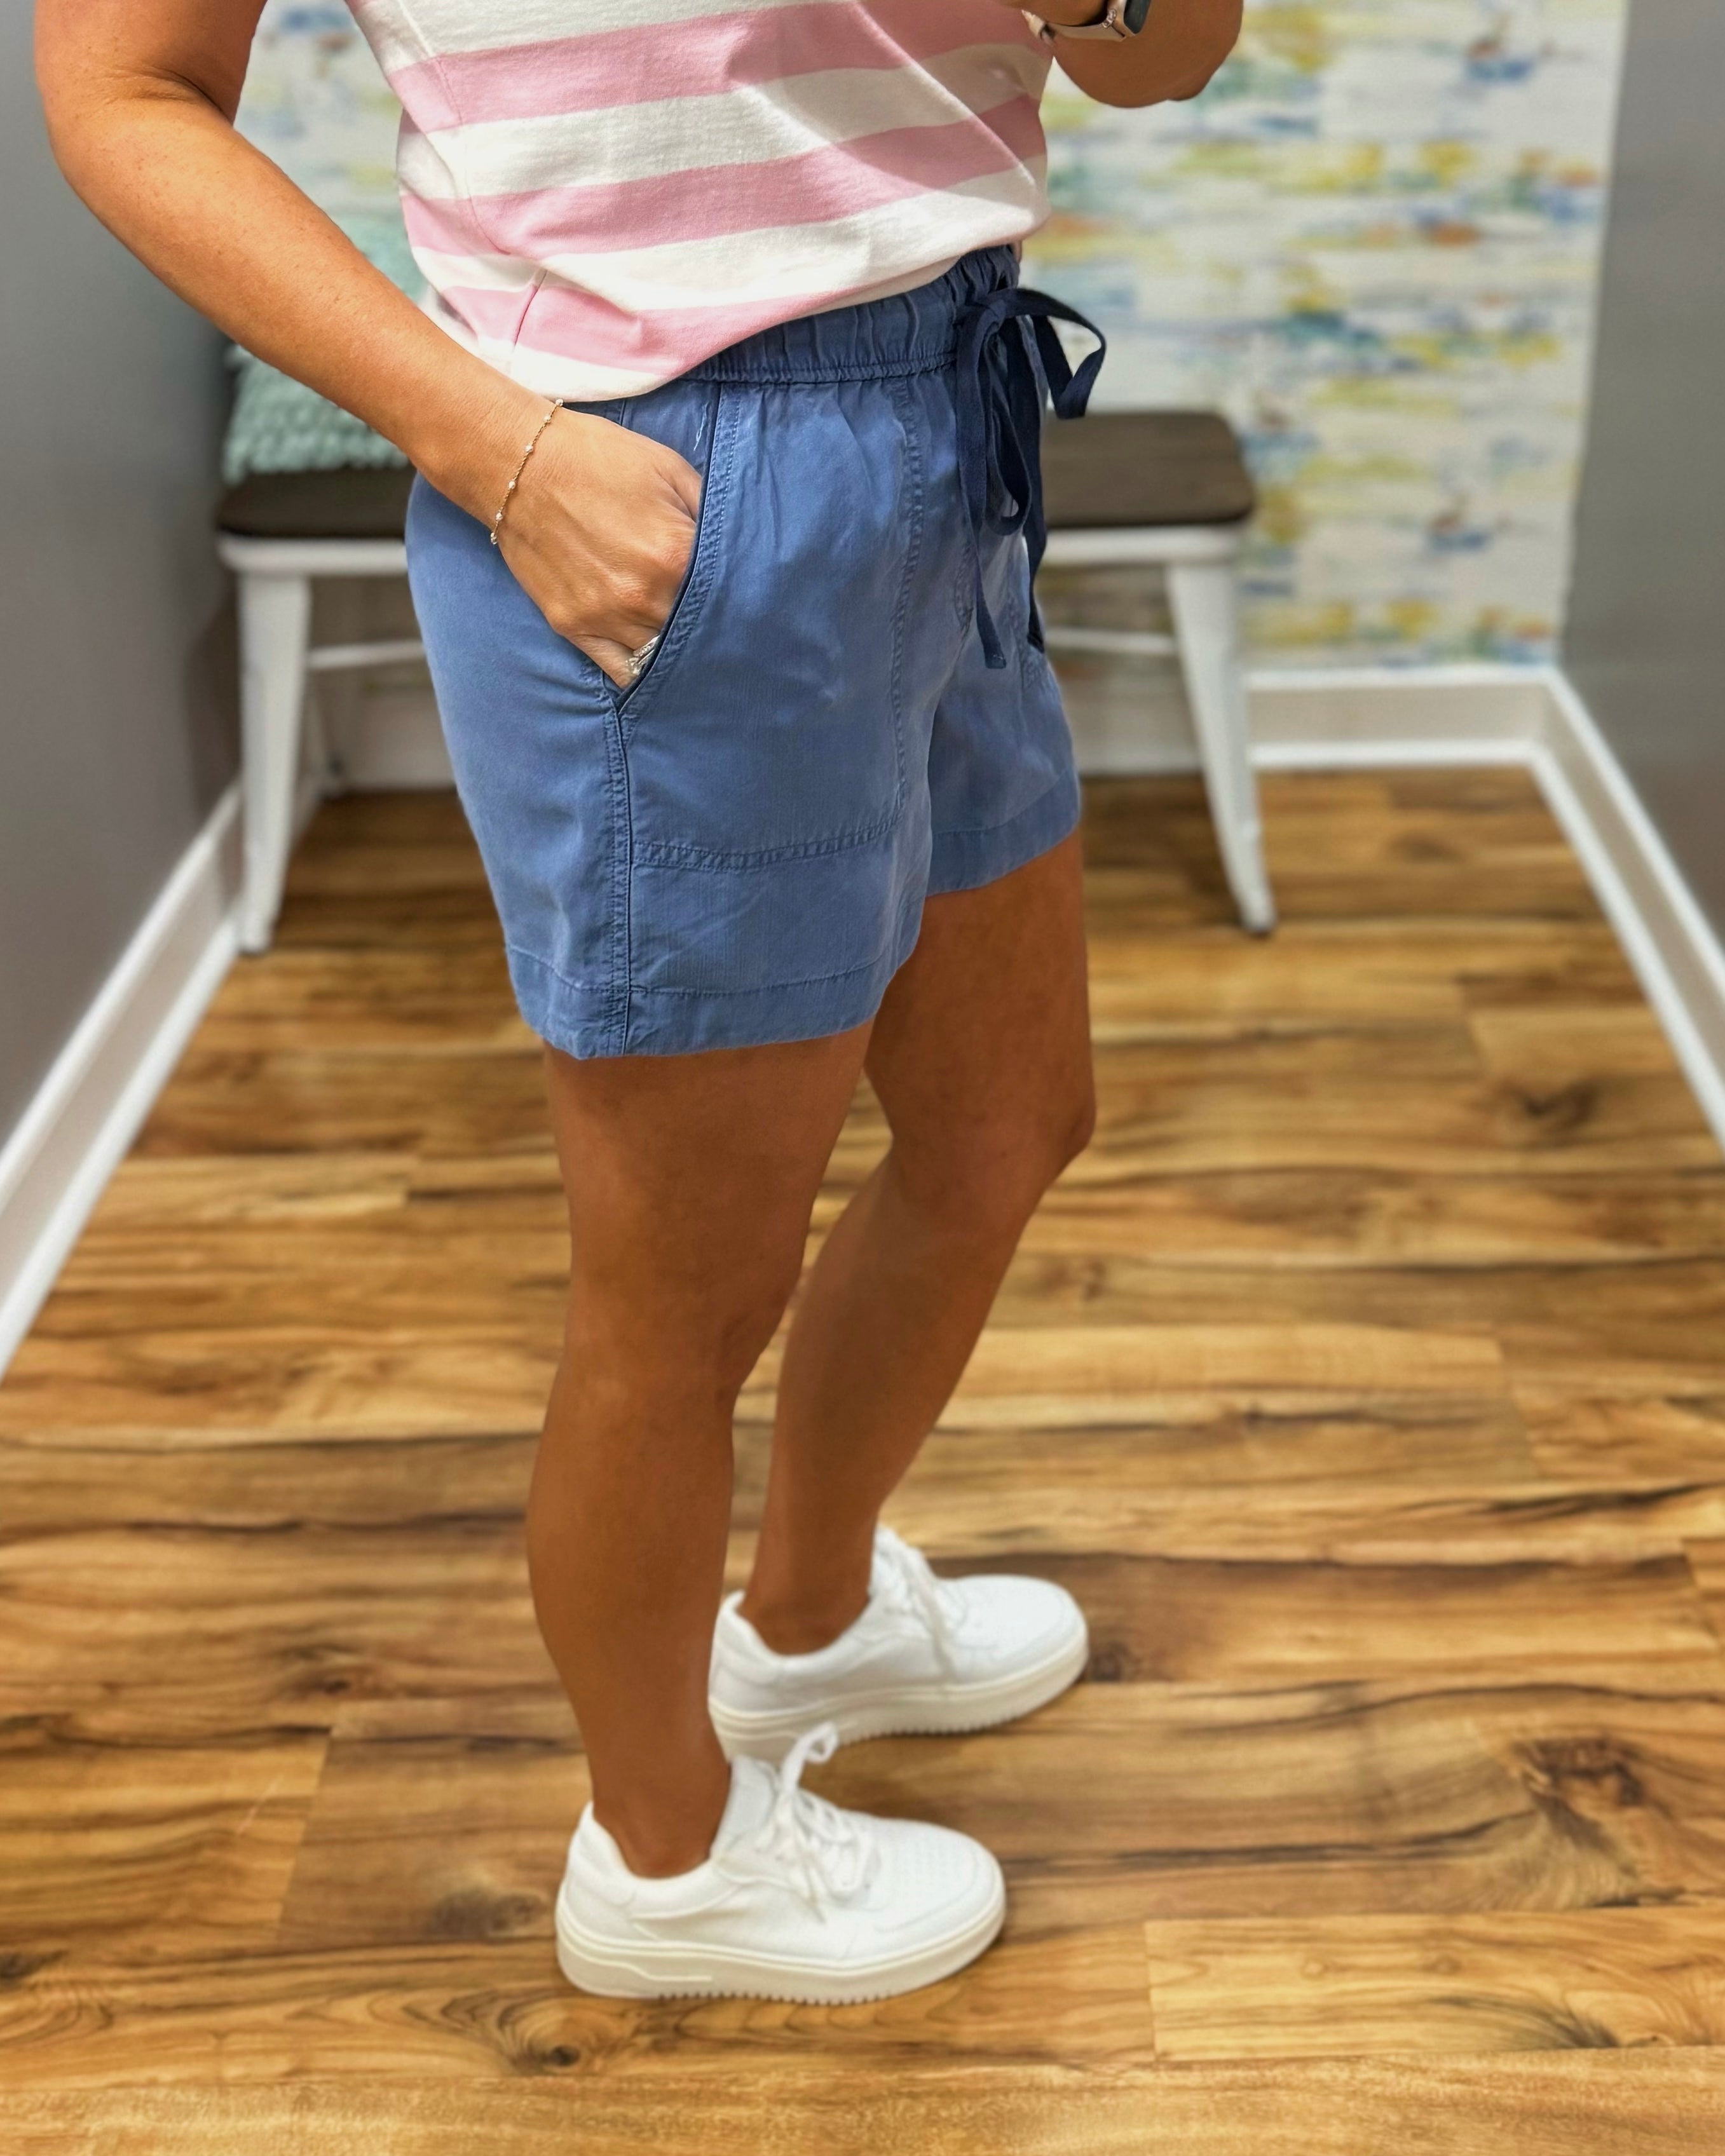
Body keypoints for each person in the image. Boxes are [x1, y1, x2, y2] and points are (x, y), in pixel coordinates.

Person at [37, 0, 1243, 2005]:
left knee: (1004, 1118)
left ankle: (806, 1615)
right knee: (679, 1292)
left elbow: (1153, 57)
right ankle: (663, 1861)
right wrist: (494, 447)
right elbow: (119, 94)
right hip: (656, 464)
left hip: (948, 397)